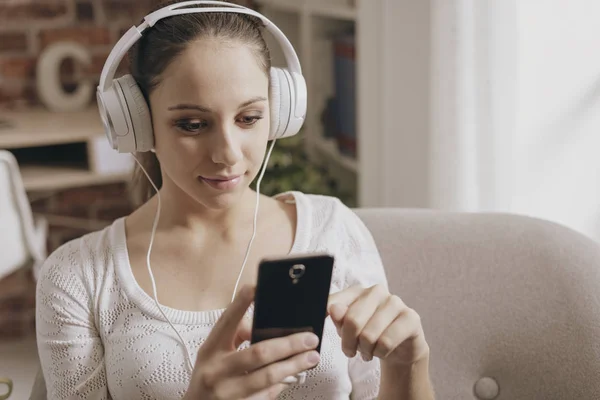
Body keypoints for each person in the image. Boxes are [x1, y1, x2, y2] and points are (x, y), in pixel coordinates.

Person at [35, 1, 434, 399]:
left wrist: (408, 363)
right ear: (137, 124)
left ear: (279, 115)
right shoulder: (78, 278)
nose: (227, 153)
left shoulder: (334, 229)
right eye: (192, 124)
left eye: (248, 119)